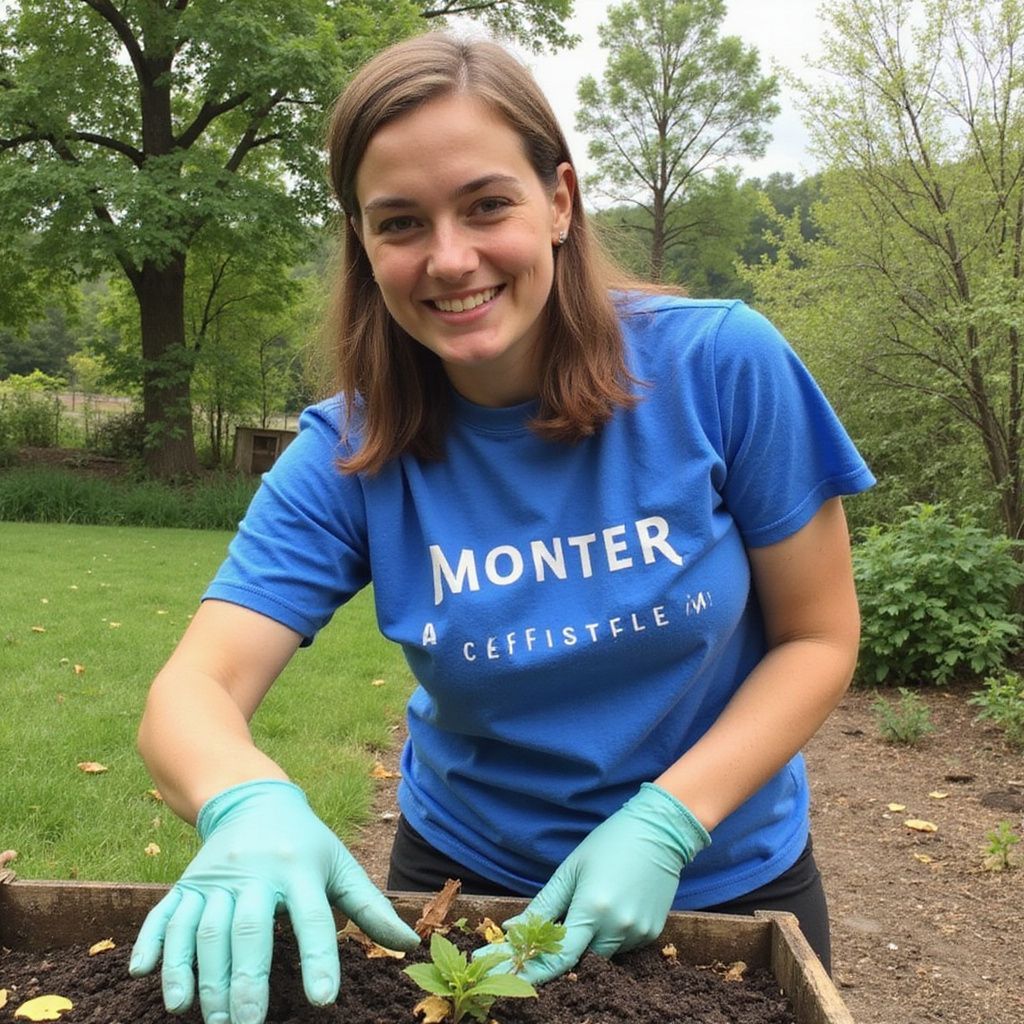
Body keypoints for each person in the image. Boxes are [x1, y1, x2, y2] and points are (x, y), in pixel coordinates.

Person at [128, 31, 874, 1024]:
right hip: (466, 893)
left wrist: (667, 818)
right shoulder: (350, 450)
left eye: (487, 205)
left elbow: (819, 635)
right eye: (399, 223)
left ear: (558, 201)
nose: (449, 258)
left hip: (727, 877)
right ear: (363, 242)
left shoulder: (721, 368)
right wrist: (243, 799)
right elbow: (195, 687)